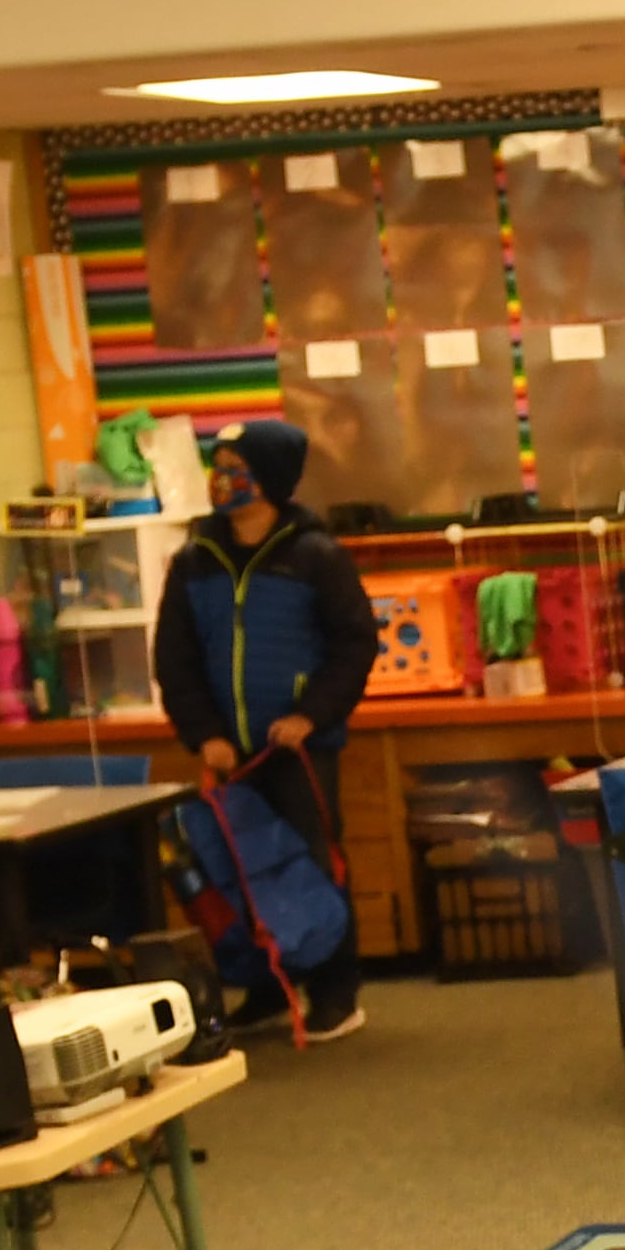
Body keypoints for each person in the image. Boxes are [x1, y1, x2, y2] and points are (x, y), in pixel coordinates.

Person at [152, 418, 374, 1044]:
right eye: (215, 468)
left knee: (310, 867)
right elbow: (175, 658)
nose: (220, 482)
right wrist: (203, 735)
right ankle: (267, 987)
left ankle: (334, 991)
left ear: (268, 481)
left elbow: (355, 644)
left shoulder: (316, 555)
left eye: (234, 470)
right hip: (229, 751)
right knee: (241, 871)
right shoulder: (195, 560)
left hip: (299, 747)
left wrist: (313, 715)